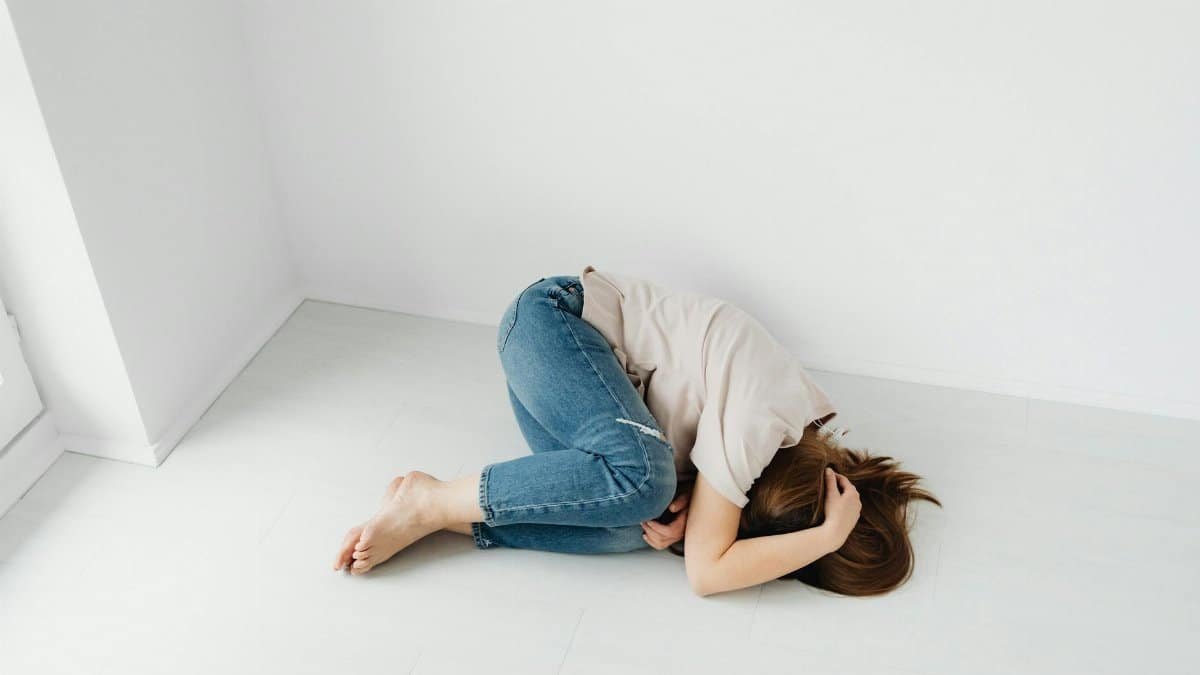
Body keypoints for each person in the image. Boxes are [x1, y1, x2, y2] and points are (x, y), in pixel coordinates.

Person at [333, 266, 941, 597]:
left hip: (563, 399)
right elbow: (708, 574)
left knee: (637, 528)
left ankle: (454, 519)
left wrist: (693, 516)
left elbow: (702, 541)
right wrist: (825, 538)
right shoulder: (761, 419)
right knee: (648, 488)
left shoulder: (773, 435)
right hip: (552, 322)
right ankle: (427, 500)